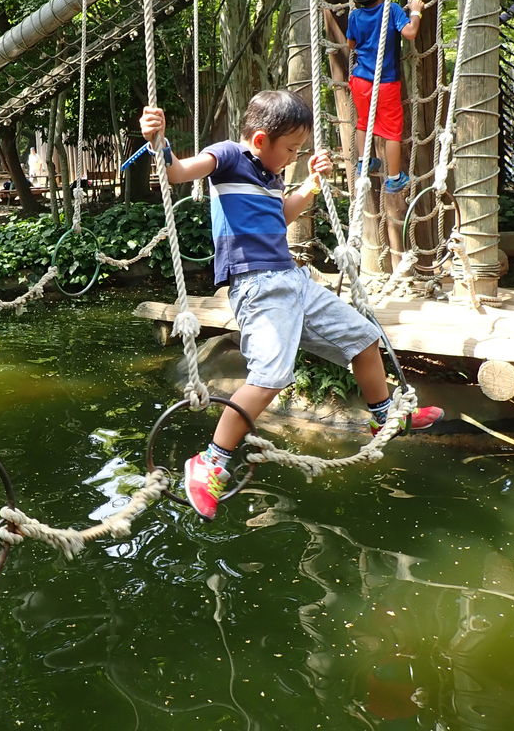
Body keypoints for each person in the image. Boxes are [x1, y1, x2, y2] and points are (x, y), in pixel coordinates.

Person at [138, 90, 442, 521]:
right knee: (272, 375)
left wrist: (310, 184)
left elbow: (283, 214)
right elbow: (178, 173)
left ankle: (384, 416)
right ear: (260, 139)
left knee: (364, 339)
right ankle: (210, 462)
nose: (294, 156)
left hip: (293, 280)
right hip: (257, 285)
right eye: (292, 149)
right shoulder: (228, 157)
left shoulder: (271, 175)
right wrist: (160, 142)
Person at [344, 0, 425, 194]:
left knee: (363, 122)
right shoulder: (392, 9)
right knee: (391, 131)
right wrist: (416, 11)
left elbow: (351, 44)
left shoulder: (355, 16)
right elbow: (410, 32)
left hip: (360, 80)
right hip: (386, 83)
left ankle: (364, 161)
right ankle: (394, 177)